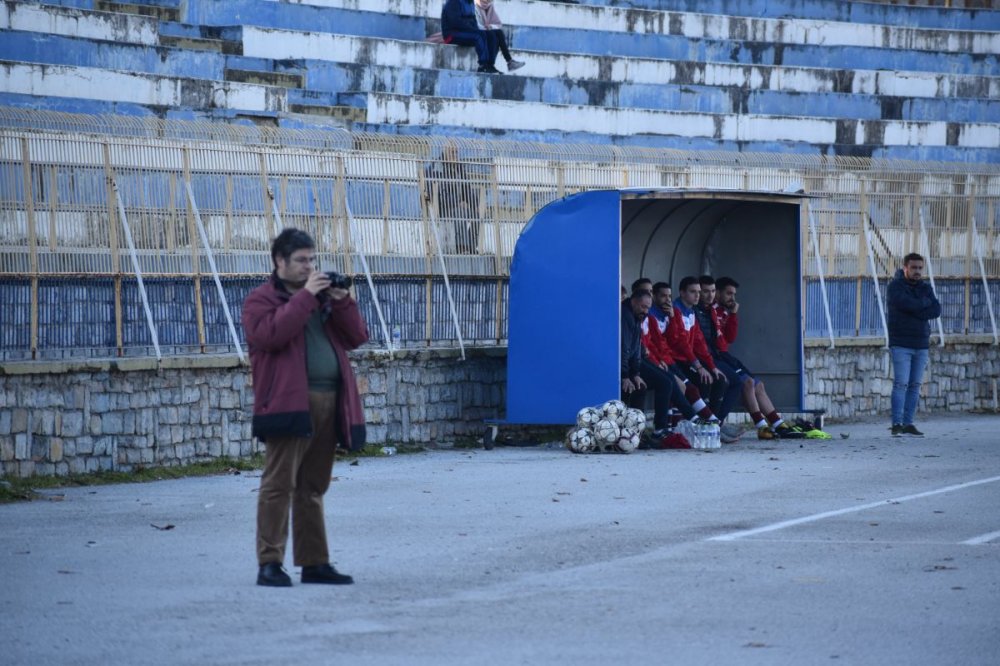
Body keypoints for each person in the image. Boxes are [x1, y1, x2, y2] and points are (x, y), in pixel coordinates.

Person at [242, 228, 369, 587]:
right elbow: (270, 335)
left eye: (311, 260)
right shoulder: (261, 300)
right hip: (288, 403)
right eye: (300, 260)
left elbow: (357, 337)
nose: (308, 267)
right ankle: (269, 563)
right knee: (277, 485)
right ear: (279, 261)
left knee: (313, 486)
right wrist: (307, 298)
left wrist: (342, 301)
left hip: (331, 400)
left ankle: (314, 562)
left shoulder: (323, 299)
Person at [698, 276, 801, 440]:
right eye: (728, 293)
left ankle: (777, 423)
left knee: (758, 385)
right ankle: (760, 426)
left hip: (724, 355)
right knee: (746, 383)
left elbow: (730, 338)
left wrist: (732, 315)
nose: (732, 298)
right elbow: (719, 342)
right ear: (718, 293)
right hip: (716, 355)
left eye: (734, 294)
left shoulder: (724, 311)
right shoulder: (711, 310)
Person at [622, 289, 697, 437]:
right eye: (643, 307)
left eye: (648, 308)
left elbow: (636, 347)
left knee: (667, 379)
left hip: (634, 363)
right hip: (624, 365)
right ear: (634, 301)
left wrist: (636, 374)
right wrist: (626, 375)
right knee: (664, 382)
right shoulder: (626, 316)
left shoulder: (637, 315)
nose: (646, 311)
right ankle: (661, 428)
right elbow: (623, 348)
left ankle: (677, 421)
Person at [886, 252, 941, 437]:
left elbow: (936, 309)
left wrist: (918, 307)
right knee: (901, 383)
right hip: (901, 342)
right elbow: (906, 304)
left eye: (920, 268)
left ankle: (909, 423)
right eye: (914, 268)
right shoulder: (895, 287)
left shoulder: (925, 287)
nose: (917, 271)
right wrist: (922, 306)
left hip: (921, 342)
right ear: (905, 268)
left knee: (915, 384)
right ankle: (897, 424)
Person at [666, 276, 729, 416]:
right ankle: (703, 422)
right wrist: (698, 366)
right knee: (703, 380)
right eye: (693, 291)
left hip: (688, 359)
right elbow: (681, 342)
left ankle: (715, 423)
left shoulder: (692, 311)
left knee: (719, 379)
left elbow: (699, 342)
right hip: (676, 360)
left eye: (699, 292)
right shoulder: (676, 310)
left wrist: (712, 366)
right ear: (682, 293)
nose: (697, 295)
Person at [425, 144, 480, 253]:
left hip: (457, 206)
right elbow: (438, 195)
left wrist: (474, 204)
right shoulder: (437, 167)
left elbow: (467, 188)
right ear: (445, 152)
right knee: (460, 212)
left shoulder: (459, 167)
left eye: (456, 152)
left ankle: (471, 247)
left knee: (476, 215)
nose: (455, 155)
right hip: (441, 207)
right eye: (452, 152)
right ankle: (461, 247)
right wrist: (457, 202)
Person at [442, 0, 500, 73]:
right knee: (478, 36)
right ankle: (483, 65)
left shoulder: (470, 2)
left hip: (466, 32)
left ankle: (490, 65)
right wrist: (472, 29)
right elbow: (455, 22)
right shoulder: (454, 2)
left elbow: (473, 20)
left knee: (493, 35)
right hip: (451, 35)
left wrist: (476, 29)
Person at [474, 0, 525, 72]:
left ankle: (508, 62)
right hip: (478, 31)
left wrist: (490, 26)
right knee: (493, 35)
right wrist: (487, 28)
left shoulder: (490, 6)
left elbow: (498, 24)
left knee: (499, 33)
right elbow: (476, 24)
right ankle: (491, 65)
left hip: (486, 31)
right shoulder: (475, 5)